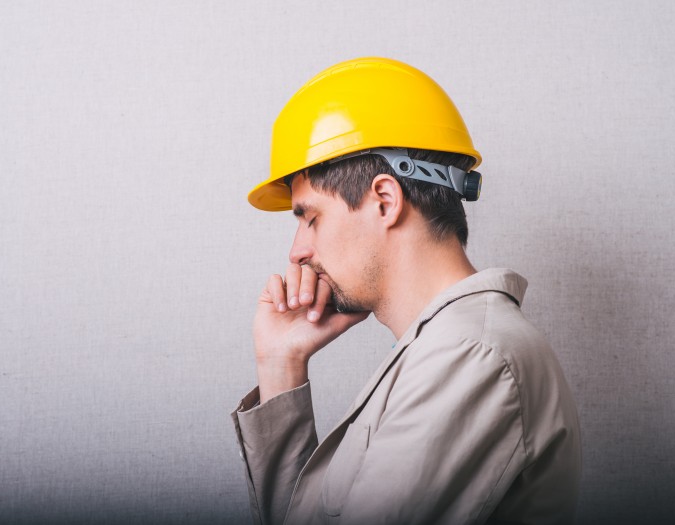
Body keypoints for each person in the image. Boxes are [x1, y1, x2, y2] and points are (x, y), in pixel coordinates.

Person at [231, 57, 581, 524]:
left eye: (311, 218)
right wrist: (281, 365)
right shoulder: (445, 351)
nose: (297, 252)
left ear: (385, 201)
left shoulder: (471, 357)